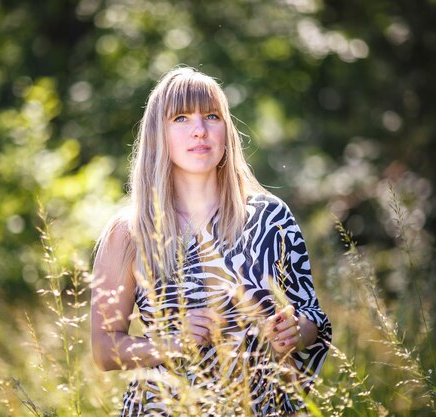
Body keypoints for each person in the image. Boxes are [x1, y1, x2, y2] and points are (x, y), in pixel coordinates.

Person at [91, 67, 331, 416]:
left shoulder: (270, 218)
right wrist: (172, 343)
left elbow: (313, 317)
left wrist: (297, 331)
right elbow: (103, 350)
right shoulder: (130, 232)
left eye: (212, 116)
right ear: (158, 134)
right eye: (182, 118)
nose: (200, 130)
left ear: (226, 131)